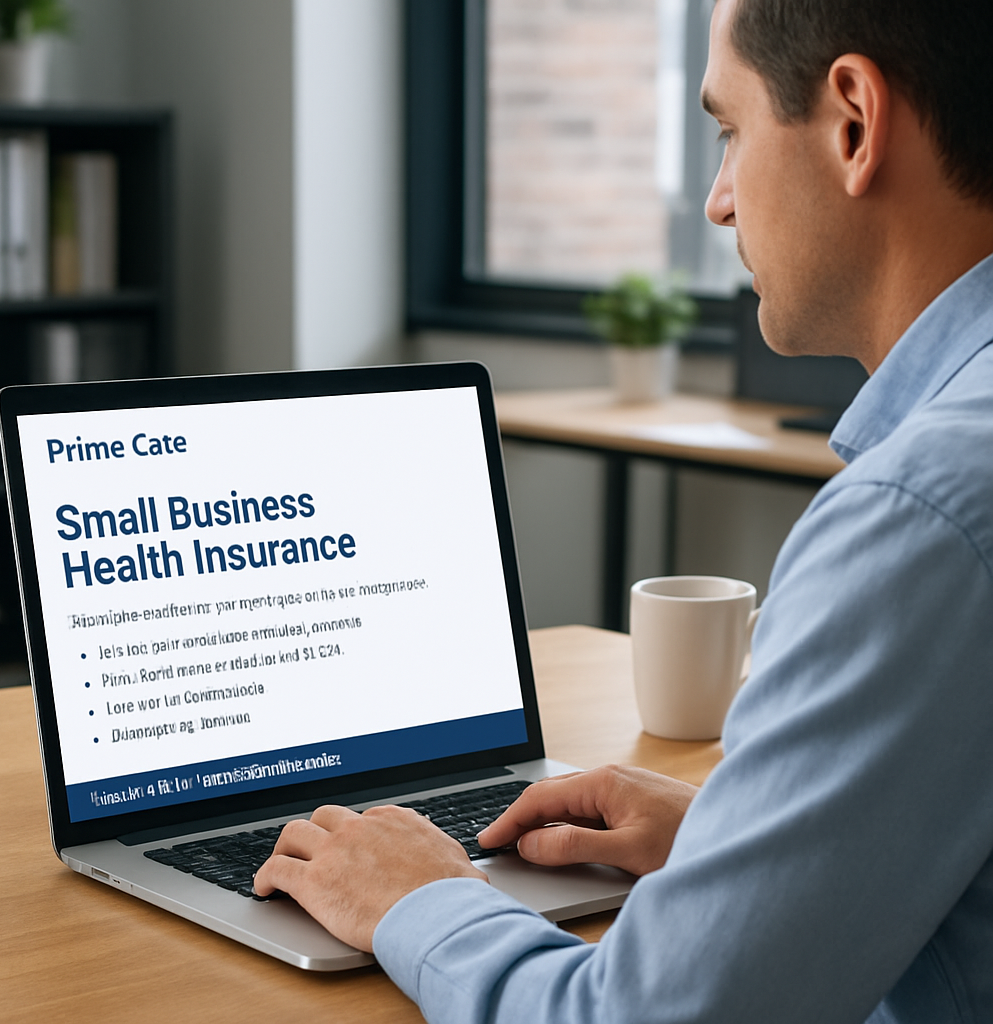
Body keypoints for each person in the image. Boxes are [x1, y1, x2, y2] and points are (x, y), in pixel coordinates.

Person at [255, 0, 993, 1018]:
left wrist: (419, 897)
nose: (718, 202)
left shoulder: (922, 515)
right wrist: (733, 842)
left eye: (729, 132)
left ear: (854, 124)